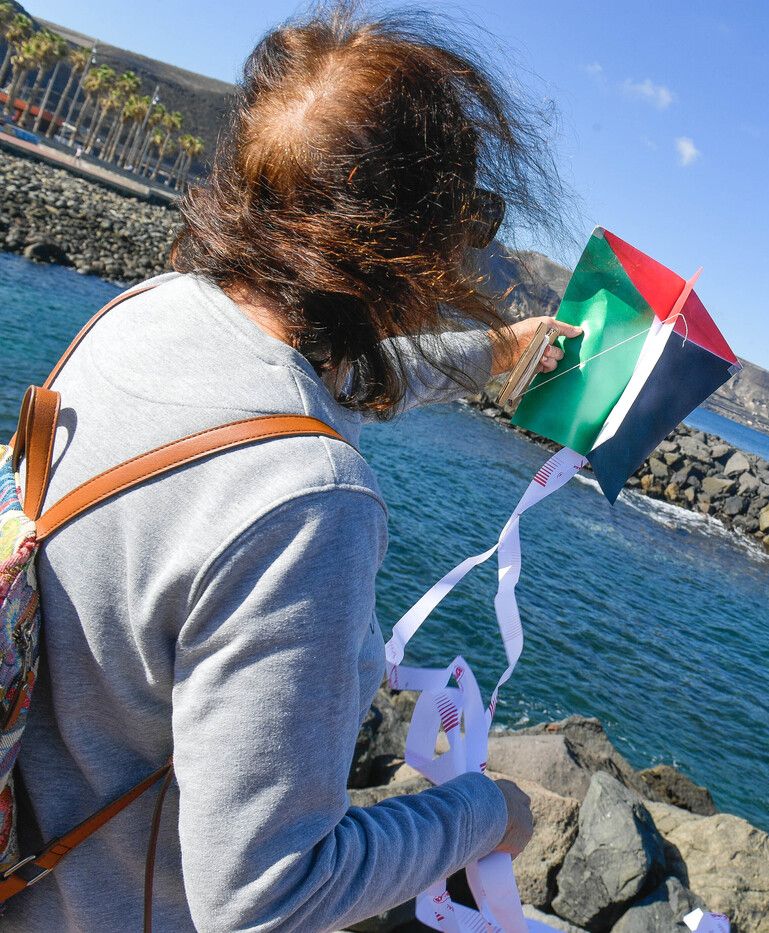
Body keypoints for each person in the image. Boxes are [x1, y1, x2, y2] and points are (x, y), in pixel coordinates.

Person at [9, 5, 581, 930]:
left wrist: (495, 353)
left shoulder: (152, 314)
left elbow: (319, 381)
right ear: (402, 242)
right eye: (467, 219)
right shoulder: (310, 502)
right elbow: (268, 898)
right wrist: (483, 815)